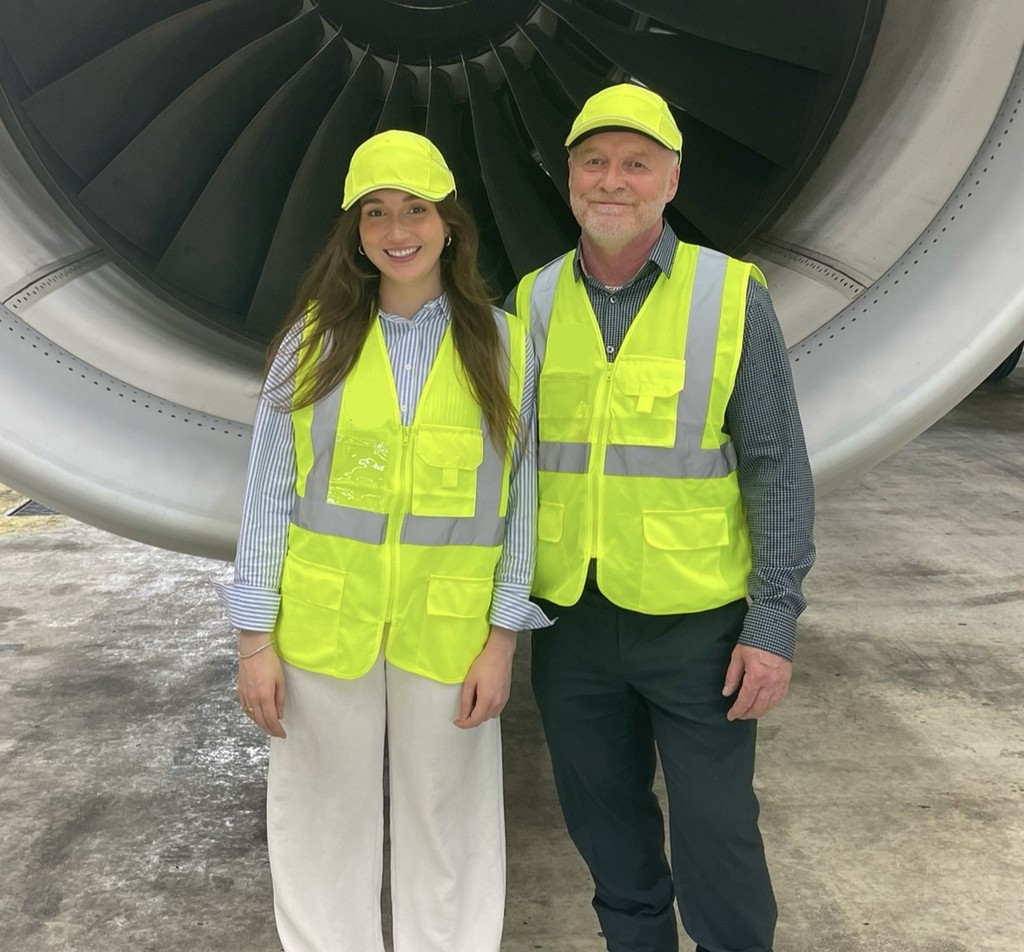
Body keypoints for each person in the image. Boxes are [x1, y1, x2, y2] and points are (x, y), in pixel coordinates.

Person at [217, 129, 549, 952]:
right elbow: (265, 495)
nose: (397, 230)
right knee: (322, 823)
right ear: (354, 231)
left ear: (449, 225)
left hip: (450, 631)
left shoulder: (505, 346)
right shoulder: (311, 342)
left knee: (453, 830)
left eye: (415, 209)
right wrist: (253, 638)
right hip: (327, 629)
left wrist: (504, 637)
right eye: (375, 213)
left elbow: (523, 502)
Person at [508, 85, 816, 952]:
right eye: (595, 162)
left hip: (700, 628)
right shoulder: (528, 303)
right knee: (608, 835)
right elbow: (506, 472)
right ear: (568, 176)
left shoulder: (731, 295)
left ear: (670, 180)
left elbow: (776, 464)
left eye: (636, 164)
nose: (614, 181)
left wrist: (774, 618)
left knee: (718, 836)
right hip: (571, 620)